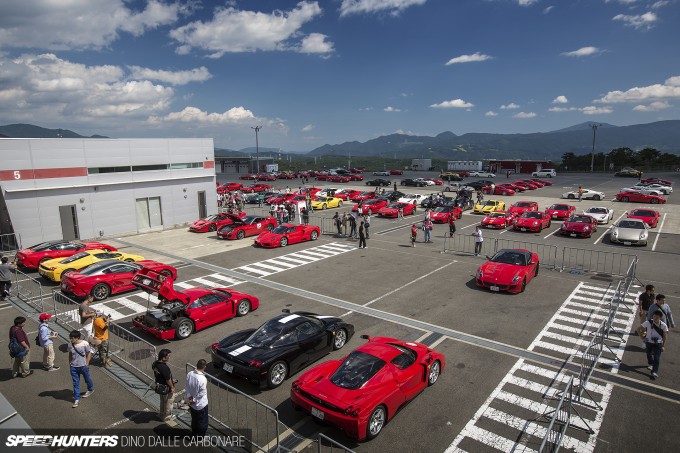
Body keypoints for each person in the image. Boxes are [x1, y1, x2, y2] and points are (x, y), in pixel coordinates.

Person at [639, 310, 668, 379]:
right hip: (649, 342)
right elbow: (639, 329)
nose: (655, 318)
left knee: (657, 358)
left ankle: (654, 371)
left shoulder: (663, 325)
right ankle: (650, 363)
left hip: (658, 343)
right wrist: (643, 337)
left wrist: (663, 346)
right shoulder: (648, 322)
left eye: (657, 317)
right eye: (654, 316)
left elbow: (665, 336)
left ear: (660, 318)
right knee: (648, 354)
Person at [68, 330, 93, 408]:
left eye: (72, 338)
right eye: (70, 338)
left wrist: (87, 363)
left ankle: (90, 389)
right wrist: (70, 363)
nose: (71, 340)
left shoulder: (85, 343)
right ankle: (77, 399)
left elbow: (89, 353)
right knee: (76, 383)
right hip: (74, 367)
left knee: (87, 379)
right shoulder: (70, 344)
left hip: (83, 366)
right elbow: (70, 354)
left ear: (77, 338)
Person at [185, 359, 209, 437]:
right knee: (202, 421)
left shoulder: (190, 374)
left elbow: (187, 386)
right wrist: (194, 399)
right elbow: (202, 393)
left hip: (192, 404)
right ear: (204, 367)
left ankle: (194, 433)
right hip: (200, 404)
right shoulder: (202, 379)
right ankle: (200, 436)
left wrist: (190, 397)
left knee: (194, 420)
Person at [153, 349, 176, 422]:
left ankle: (161, 414)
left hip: (159, 386)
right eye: (168, 356)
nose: (169, 357)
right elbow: (168, 379)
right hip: (166, 388)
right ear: (163, 358)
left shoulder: (155, 364)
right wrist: (172, 387)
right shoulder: (164, 368)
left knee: (162, 401)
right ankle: (167, 417)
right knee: (169, 402)